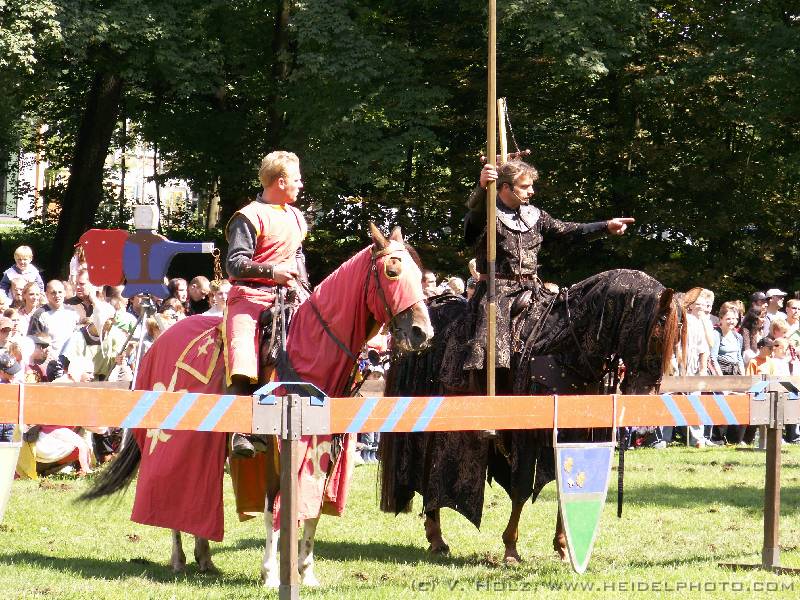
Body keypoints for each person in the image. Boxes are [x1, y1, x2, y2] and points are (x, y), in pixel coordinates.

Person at [457, 160, 633, 386]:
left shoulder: (536, 216)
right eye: (524, 186)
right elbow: (471, 231)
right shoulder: (486, 214)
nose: (531, 191)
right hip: (496, 292)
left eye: (531, 186)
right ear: (505, 187)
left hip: (533, 290)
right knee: (491, 345)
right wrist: (482, 189)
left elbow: (569, 231)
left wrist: (605, 226)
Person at [224, 151, 310, 457]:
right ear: (281, 181)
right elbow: (235, 264)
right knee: (243, 355)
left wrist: (305, 287)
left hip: (289, 296)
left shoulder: (296, 217)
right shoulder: (248, 216)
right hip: (249, 297)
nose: (301, 184)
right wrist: (273, 272)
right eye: (297, 179)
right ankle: (240, 430)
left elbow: (298, 257)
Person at [27, 280, 81, 359]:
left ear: (64, 293)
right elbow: (32, 341)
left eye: (60, 292)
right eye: (53, 293)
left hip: (71, 360)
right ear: (46, 294)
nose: (57, 295)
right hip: (49, 361)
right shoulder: (39, 314)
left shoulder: (72, 312)